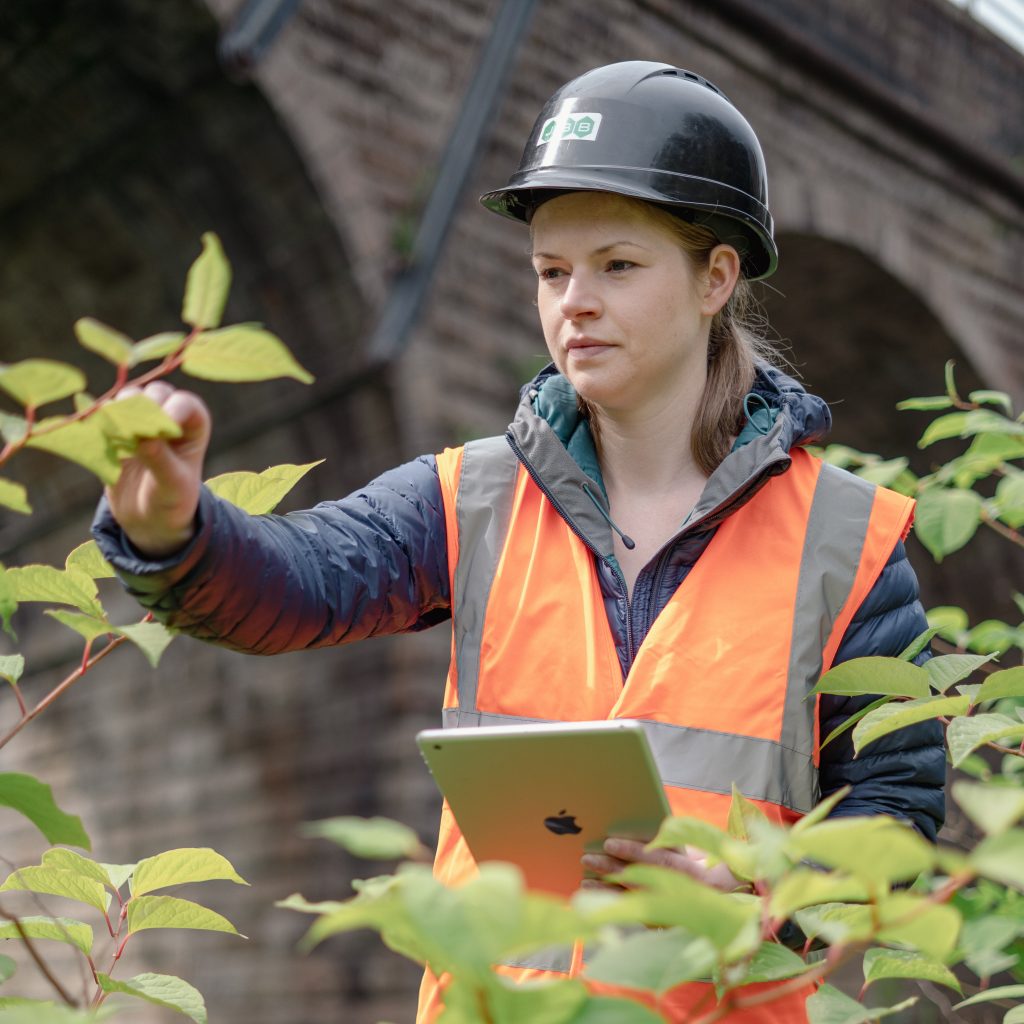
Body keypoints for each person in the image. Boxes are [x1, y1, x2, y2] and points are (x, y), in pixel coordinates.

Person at [93, 62, 945, 1022]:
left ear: (716, 277)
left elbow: (897, 819)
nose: (573, 301)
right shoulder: (474, 498)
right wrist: (173, 531)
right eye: (551, 271)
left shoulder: (850, 542)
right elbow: (298, 584)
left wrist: (768, 906)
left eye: (617, 265)